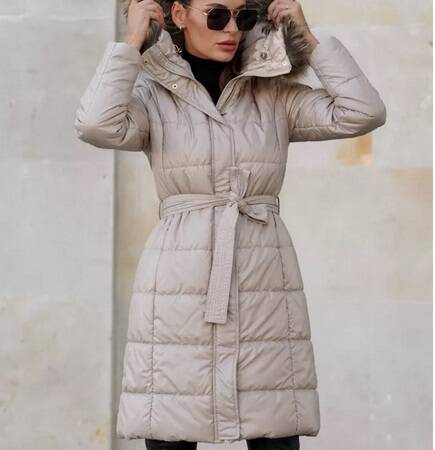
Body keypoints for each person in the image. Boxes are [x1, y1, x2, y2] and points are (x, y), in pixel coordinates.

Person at [74, 0, 387, 448]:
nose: (232, 29)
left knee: (274, 431)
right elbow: (94, 125)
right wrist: (132, 43)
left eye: (243, 16)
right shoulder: (153, 95)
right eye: (216, 14)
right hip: (178, 287)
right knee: (170, 427)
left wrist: (305, 36)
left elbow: (363, 111)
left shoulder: (273, 93)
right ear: (179, 14)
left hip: (265, 282)